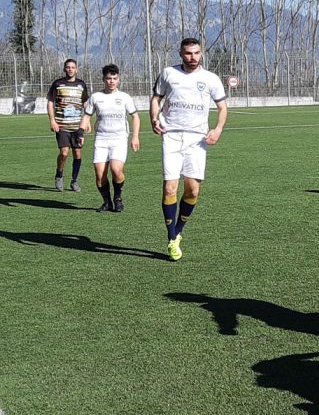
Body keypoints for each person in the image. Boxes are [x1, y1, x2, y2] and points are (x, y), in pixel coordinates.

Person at [150, 37, 228, 261]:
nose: (192, 58)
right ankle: (171, 237)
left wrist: (218, 129)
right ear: (180, 54)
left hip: (197, 139)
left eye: (196, 53)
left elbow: (222, 107)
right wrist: (154, 118)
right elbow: (156, 98)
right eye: (188, 53)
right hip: (171, 136)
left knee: (192, 190)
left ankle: (179, 230)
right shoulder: (168, 74)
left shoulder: (210, 78)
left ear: (201, 53)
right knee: (170, 188)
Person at [80, 64, 141, 213]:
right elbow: (87, 116)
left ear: (118, 79)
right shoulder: (96, 97)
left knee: (116, 170)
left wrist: (135, 136)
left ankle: (118, 198)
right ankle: (107, 202)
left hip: (119, 138)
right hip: (101, 138)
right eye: (108, 78)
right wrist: (80, 133)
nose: (111, 81)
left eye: (114, 78)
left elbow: (135, 117)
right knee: (100, 174)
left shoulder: (124, 97)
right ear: (103, 79)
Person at [47, 59, 90, 192]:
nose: (70, 69)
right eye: (68, 67)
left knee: (77, 154)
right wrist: (52, 120)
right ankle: (59, 175)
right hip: (62, 125)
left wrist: (87, 122)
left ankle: (74, 181)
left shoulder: (81, 85)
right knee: (64, 153)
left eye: (73, 67)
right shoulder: (58, 84)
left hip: (77, 127)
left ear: (76, 69)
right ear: (64, 69)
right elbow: (50, 102)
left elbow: (86, 104)